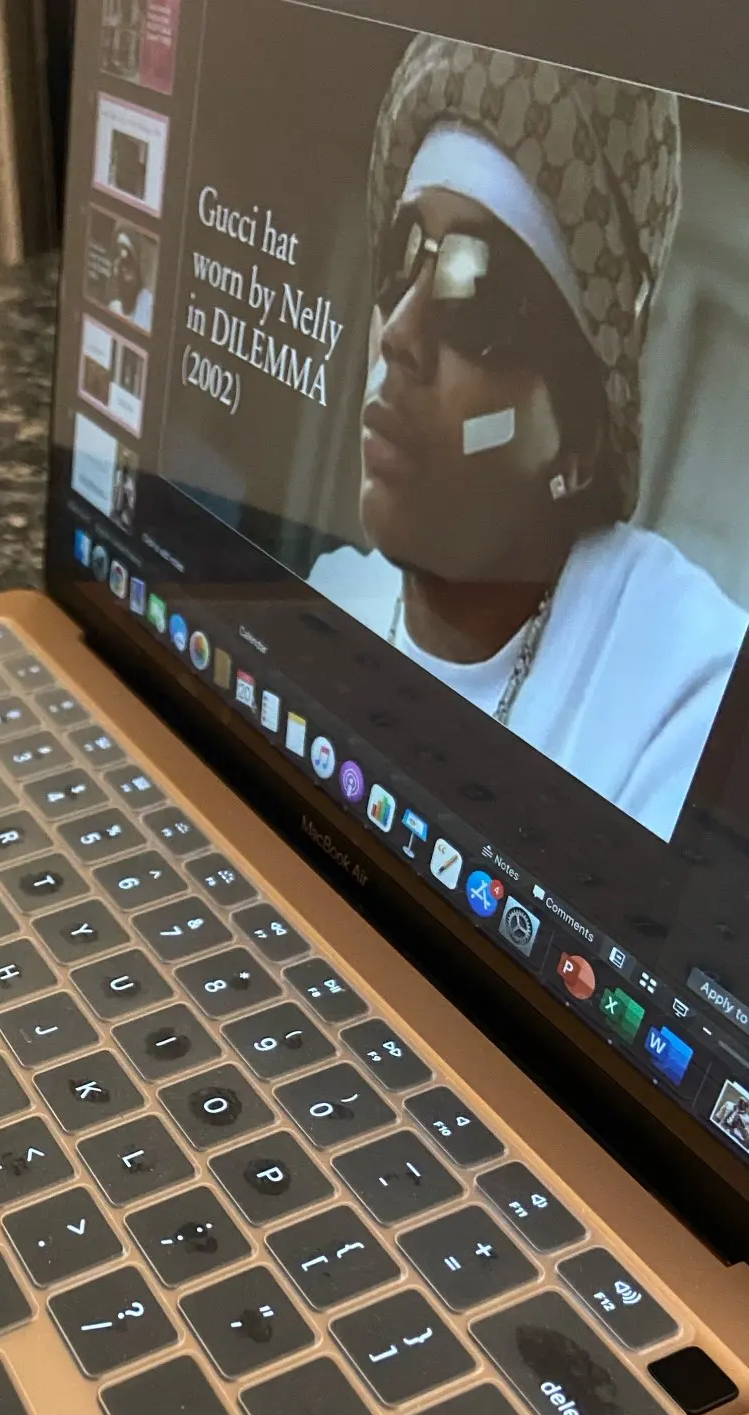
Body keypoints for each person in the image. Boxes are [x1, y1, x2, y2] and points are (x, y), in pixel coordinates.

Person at [309, 38, 749, 842]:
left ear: (579, 436)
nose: (399, 334)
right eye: (403, 256)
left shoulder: (687, 682)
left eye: (474, 289)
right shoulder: (334, 599)